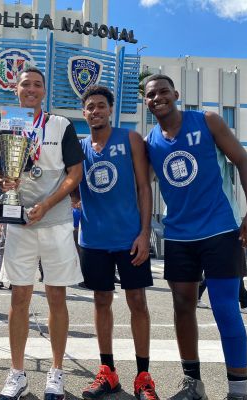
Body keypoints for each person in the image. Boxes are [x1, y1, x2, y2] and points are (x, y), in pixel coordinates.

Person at [144, 74, 247, 400]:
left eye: (163, 92)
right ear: (146, 102)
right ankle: (193, 385)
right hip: (179, 235)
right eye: (151, 95)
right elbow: (139, 185)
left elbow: (243, 161)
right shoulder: (150, 142)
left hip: (220, 229)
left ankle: (238, 392)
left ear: (176, 94)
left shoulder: (207, 120)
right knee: (183, 307)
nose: (157, 98)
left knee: (226, 308)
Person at [0, 66, 84, 400]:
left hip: (56, 221)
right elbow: (3, 172)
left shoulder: (60, 124)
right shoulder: (10, 123)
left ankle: (56, 371)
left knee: (56, 297)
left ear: (44, 91)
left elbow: (74, 173)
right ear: (16, 90)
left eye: (36, 85)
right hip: (19, 223)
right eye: (25, 85)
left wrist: (47, 204)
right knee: (19, 297)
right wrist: (5, 183)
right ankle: (17, 374)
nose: (30, 89)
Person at [77, 86, 159, 399]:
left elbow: (143, 187)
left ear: (110, 110)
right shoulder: (79, 146)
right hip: (94, 238)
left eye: (100, 106)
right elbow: (72, 186)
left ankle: (143, 376)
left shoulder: (131, 139)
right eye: (90, 107)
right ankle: (107, 371)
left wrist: (143, 231)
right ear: (83, 113)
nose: (95, 111)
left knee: (137, 301)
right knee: (101, 301)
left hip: (129, 237)